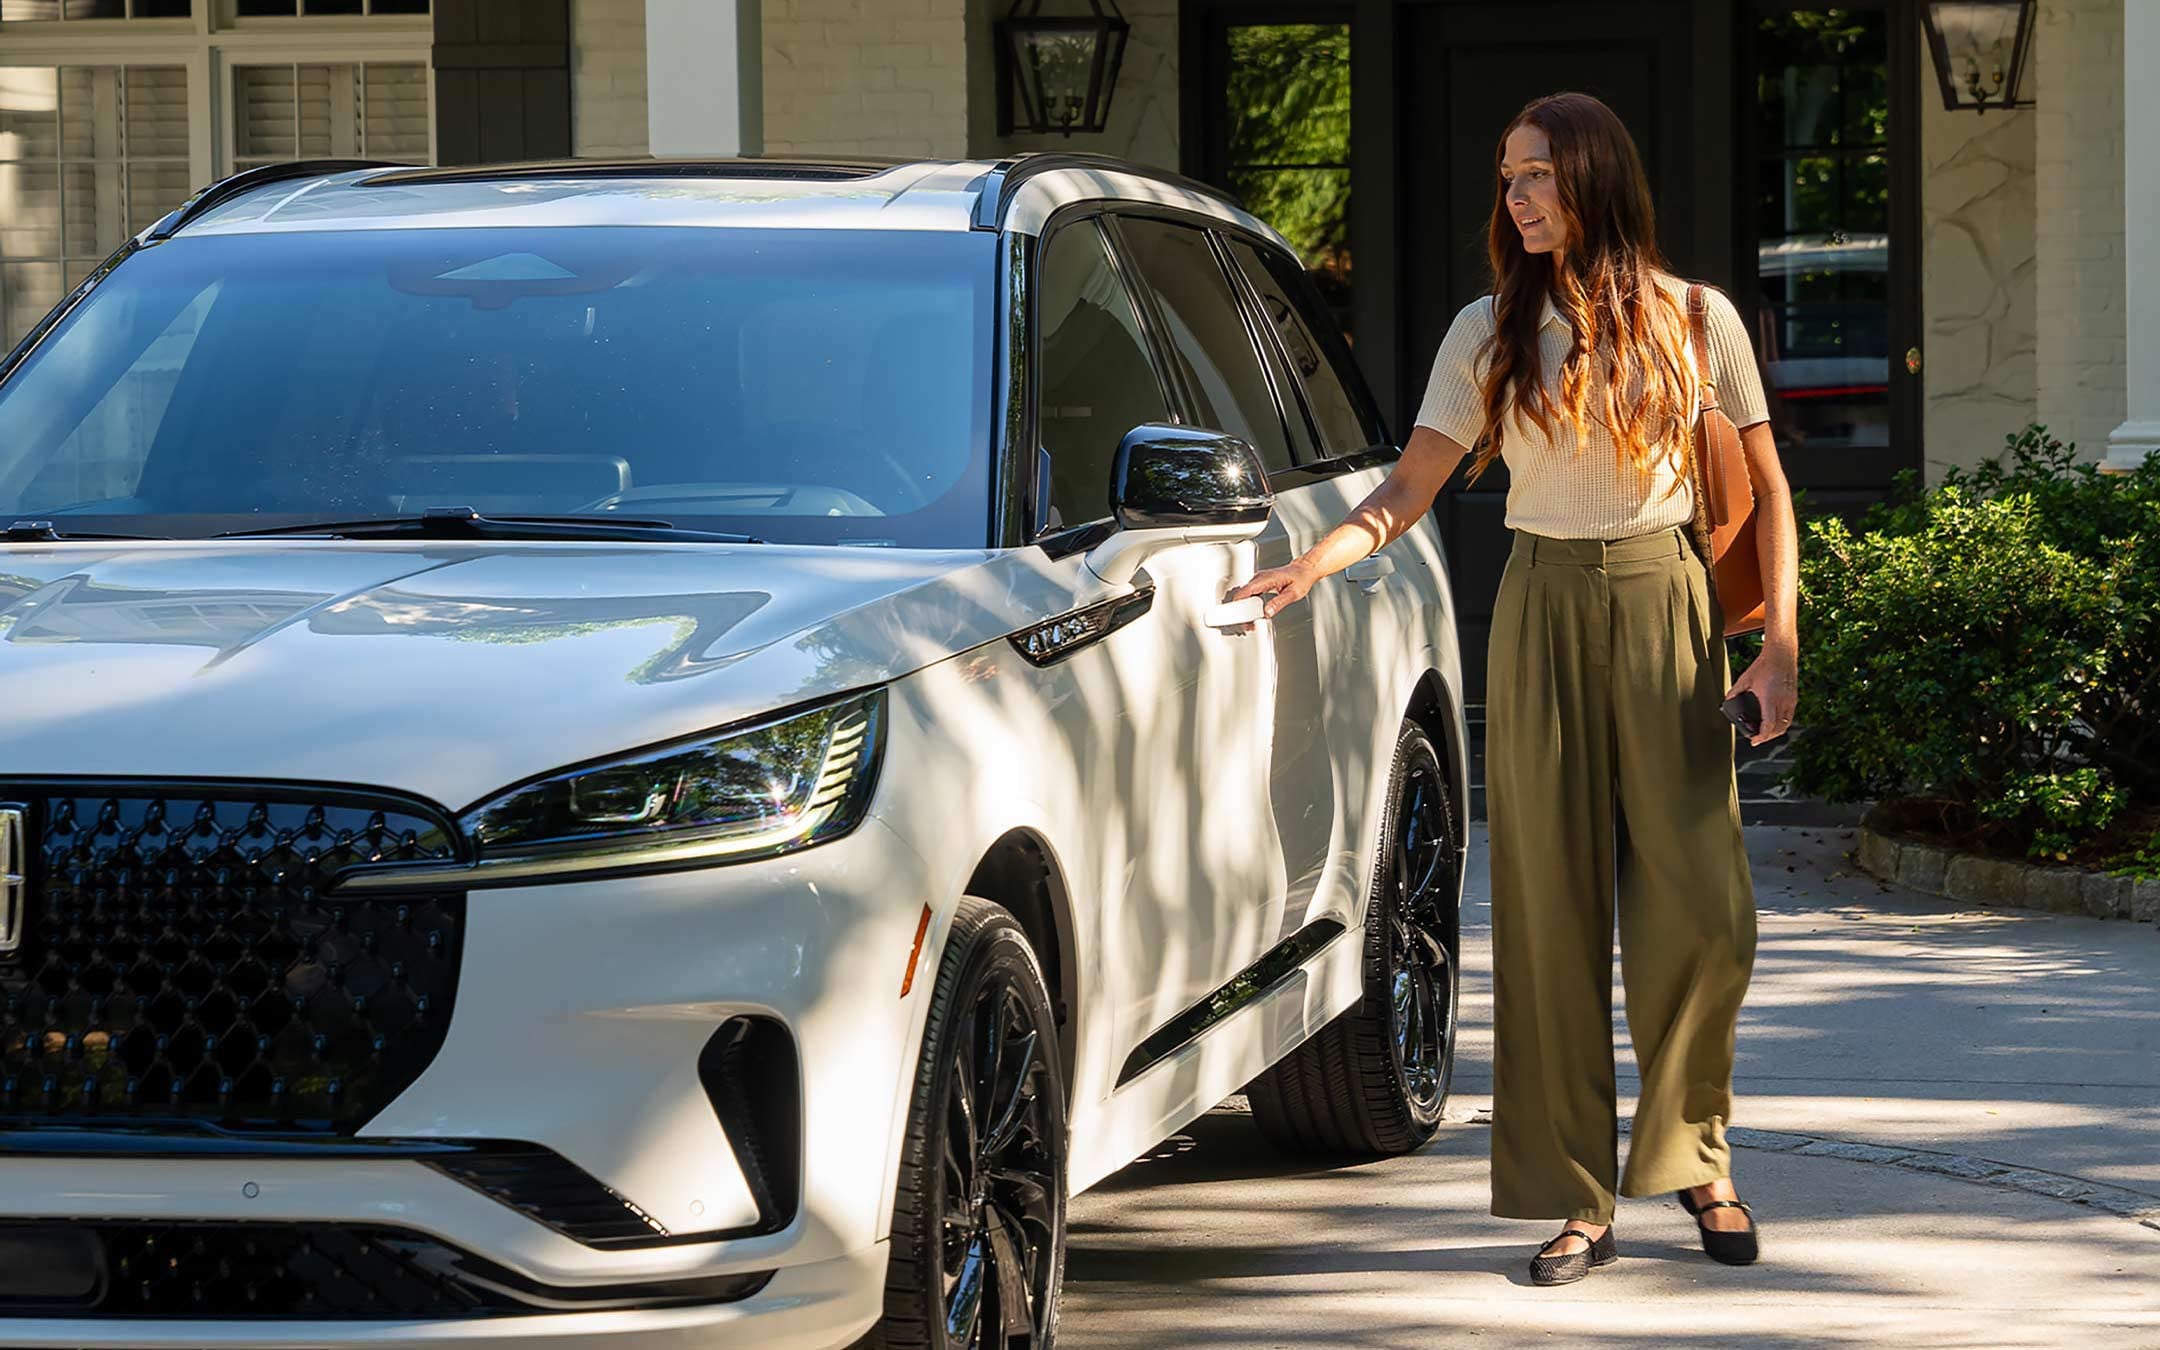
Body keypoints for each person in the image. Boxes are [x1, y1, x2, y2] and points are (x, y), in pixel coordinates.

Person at [1230, 91, 1798, 1285]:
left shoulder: (1699, 318)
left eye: (1537, 174)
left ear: (1594, 175)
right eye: (1507, 178)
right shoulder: (1487, 331)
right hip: (1539, 609)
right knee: (1549, 909)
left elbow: (1769, 488)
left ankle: (1696, 1154)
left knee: (1706, 905)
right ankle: (1575, 1195)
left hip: (1668, 605)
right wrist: (1314, 563)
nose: (1519, 197)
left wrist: (1780, 644)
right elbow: (1402, 494)